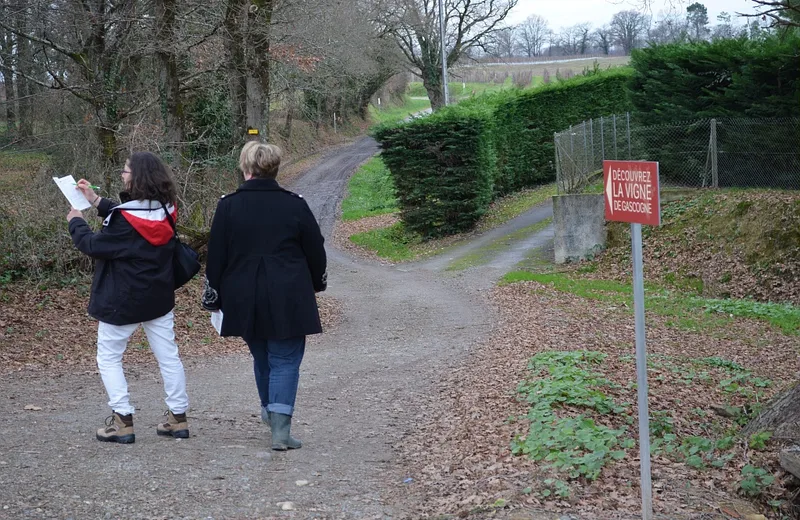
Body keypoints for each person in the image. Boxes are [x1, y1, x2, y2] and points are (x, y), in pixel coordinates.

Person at [202, 141, 326, 451]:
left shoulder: (227, 206)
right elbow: (316, 250)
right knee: (284, 359)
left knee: (263, 357)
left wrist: (214, 295)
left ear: (245, 169)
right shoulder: (295, 204)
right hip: (289, 294)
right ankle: (280, 430)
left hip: (243, 296)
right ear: (275, 169)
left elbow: (215, 255)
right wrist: (316, 283)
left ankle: (273, 416)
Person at [67, 152, 190, 444]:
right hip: (159, 297)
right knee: (168, 357)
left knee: (109, 358)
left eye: (125, 171)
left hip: (122, 300)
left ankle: (123, 421)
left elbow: (93, 244)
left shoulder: (124, 219)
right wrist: (95, 200)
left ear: (137, 178)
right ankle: (179, 418)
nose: (122, 175)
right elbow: (132, 217)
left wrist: (76, 221)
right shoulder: (168, 208)